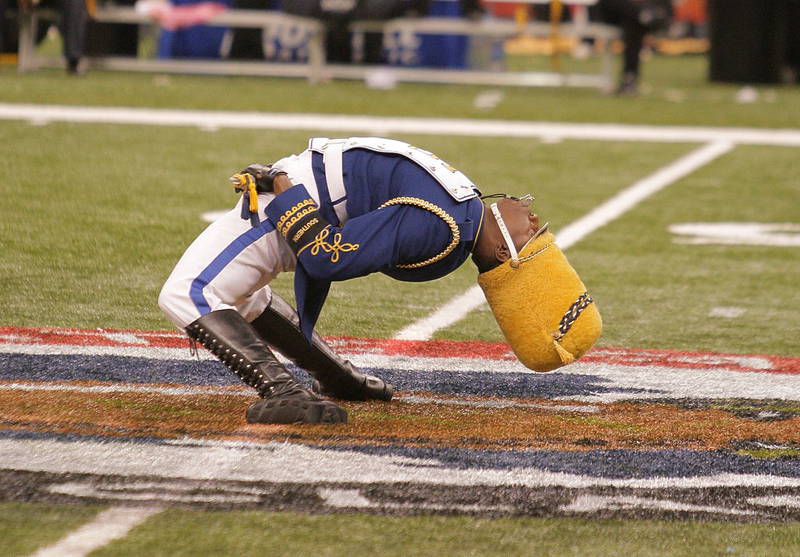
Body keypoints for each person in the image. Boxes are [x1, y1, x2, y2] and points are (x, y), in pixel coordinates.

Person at [159, 137, 599, 425]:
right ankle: (339, 378)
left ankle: (283, 389)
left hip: (300, 202)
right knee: (238, 295)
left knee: (189, 292)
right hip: (315, 198)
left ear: (505, 251)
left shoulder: (442, 225)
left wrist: (280, 183)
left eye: (532, 233)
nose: (534, 218)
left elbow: (326, 257)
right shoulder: (459, 214)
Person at [595, 0, 673, 95]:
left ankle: (629, 78)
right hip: (610, 9)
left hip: (632, 15)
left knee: (633, 23)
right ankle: (648, 15)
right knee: (634, 15)